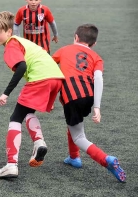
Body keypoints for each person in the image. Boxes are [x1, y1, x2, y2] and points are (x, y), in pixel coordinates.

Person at [0, 11, 65, 179]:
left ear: (9, 32)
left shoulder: (11, 44)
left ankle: (11, 165)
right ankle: (39, 143)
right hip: (56, 77)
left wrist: (6, 93)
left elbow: (21, 67)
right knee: (28, 112)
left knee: (15, 118)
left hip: (42, 79)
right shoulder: (21, 41)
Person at [52, 24, 126, 182]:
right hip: (88, 96)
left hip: (71, 97)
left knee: (79, 136)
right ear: (94, 44)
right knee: (74, 125)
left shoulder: (65, 49)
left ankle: (106, 160)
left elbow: (49, 67)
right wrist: (97, 107)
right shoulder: (97, 57)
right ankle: (74, 158)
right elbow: (98, 79)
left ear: (76, 37)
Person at [14, 0, 59, 110]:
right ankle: (29, 94)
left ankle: (48, 99)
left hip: (43, 47)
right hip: (29, 48)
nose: (33, 2)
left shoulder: (45, 10)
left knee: (46, 72)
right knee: (29, 71)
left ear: (40, 0)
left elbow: (52, 23)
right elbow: (16, 24)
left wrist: (55, 35)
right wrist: (18, 38)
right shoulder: (21, 11)